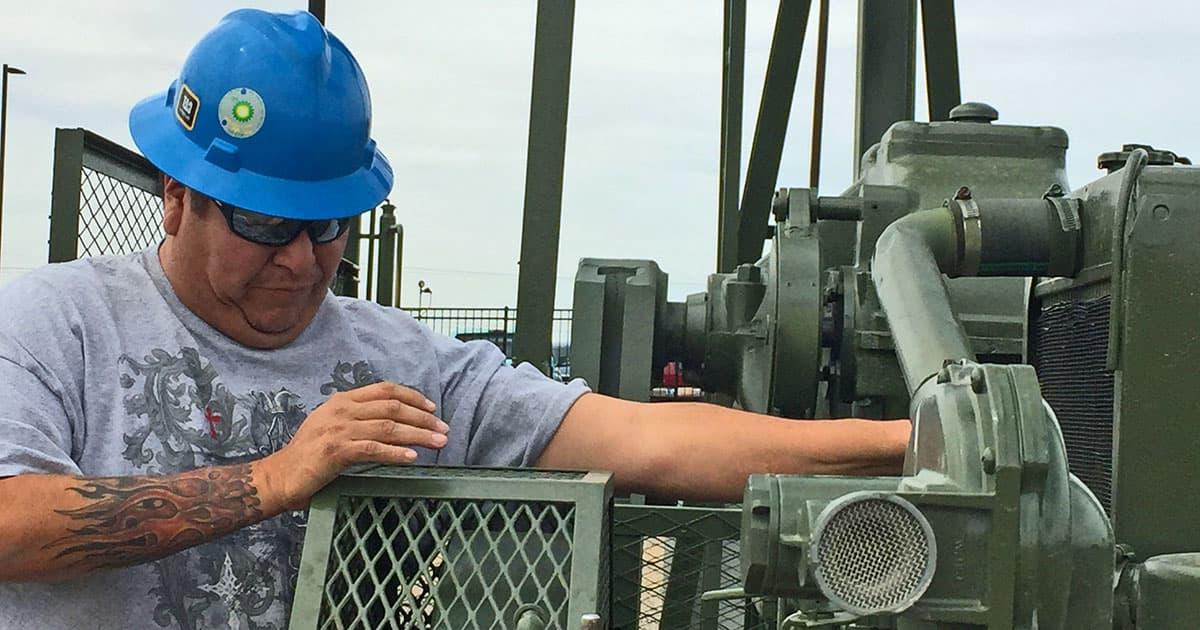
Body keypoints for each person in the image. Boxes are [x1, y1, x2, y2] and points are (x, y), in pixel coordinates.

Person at [0, 9, 910, 629]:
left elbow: (648, 440)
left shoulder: (400, 362)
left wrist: (908, 443)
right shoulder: (58, 324)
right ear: (175, 195)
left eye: (327, 227)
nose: (300, 260)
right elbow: (11, 527)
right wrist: (274, 480)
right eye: (263, 223)